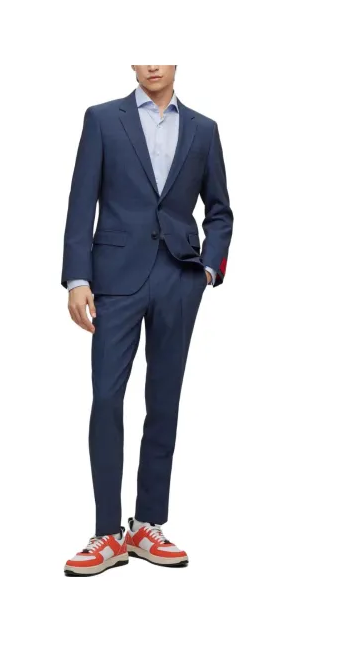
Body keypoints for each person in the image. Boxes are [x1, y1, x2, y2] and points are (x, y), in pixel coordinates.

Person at [61, 65, 234, 577]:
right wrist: (77, 278)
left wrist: (207, 270)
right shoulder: (102, 120)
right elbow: (81, 201)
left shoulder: (204, 129)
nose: (153, 63)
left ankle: (147, 525)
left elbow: (220, 211)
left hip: (178, 278)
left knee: (164, 401)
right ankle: (107, 533)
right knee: (106, 398)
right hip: (114, 280)